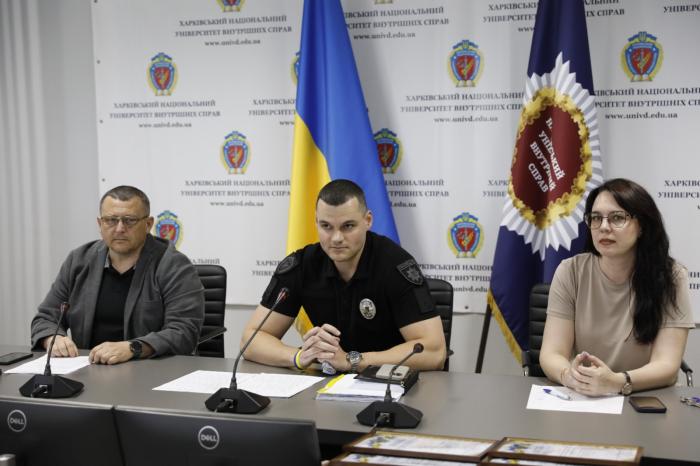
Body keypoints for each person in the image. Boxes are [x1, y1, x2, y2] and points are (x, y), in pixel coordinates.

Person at [241, 179, 446, 373]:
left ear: (367, 221)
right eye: (326, 226)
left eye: (348, 226)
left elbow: (434, 352)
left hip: (388, 382)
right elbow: (250, 340)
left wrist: (351, 361)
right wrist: (299, 356)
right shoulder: (302, 264)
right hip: (327, 382)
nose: (337, 238)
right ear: (316, 222)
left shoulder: (395, 264)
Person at [540, 178, 694, 396]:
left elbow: (667, 365)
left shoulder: (671, 277)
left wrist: (617, 382)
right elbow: (552, 353)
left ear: (642, 226)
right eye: (596, 218)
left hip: (646, 396)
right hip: (585, 396)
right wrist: (569, 376)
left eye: (617, 218)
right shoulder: (570, 271)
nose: (604, 227)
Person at [30, 185, 205, 364]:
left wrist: (133, 348)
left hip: (151, 370)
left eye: (129, 220)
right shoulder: (79, 260)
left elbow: (184, 332)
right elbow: (46, 318)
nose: (120, 228)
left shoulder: (174, 266)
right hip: (88, 369)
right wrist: (53, 339)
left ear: (148, 224)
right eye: (111, 220)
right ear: (100, 224)